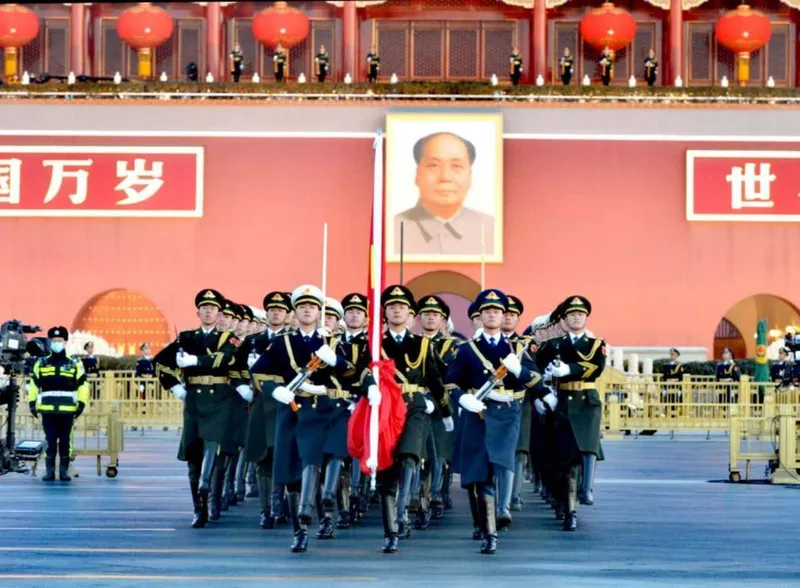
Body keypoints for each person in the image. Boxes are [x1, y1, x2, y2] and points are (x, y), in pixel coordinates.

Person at [250, 285, 356, 553]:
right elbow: (260, 372)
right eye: (302, 307)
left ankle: (326, 519)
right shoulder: (282, 342)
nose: (307, 310)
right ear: (294, 312)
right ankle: (300, 531)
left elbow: (352, 373)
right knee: (291, 472)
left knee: (318, 466)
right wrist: (278, 391)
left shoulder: (332, 343)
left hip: (324, 409)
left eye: (312, 307)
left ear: (320, 312)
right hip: (293, 410)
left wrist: (334, 361)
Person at [445, 289, 542, 553]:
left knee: (497, 465)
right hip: (477, 413)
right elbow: (451, 381)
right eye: (487, 311)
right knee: (478, 473)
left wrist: (518, 369)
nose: (492, 315)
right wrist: (462, 398)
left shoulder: (517, 349)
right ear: (479, 315)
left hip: (507, 413)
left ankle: (492, 533)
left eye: (497, 311)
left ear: (503, 316)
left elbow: (535, 379)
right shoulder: (465, 350)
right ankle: (483, 524)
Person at [366, 285, 449, 553]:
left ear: (411, 315)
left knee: (410, 455)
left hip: (414, 407)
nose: (397, 310)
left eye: (402, 307)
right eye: (391, 307)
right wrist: (368, 386)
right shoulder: (376, 344)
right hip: (384, 407)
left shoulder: (422, 345)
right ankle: (390, 530)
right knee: (387, 468)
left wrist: (444, 412)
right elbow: (361, 373)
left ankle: (403, 509)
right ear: (385, 313)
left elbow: (435, 381)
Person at [153, 289, 243, 529]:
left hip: (220, 399)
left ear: (219, 312)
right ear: (198, 312)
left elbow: (228, 359)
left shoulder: (228, 337)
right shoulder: (186, 338)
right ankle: (198, 508)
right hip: (193, 399)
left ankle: (211, 498)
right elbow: (160, 362)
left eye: (212, 308)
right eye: (204, 308)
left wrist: (196, 361)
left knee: (214, 449)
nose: (208, 311)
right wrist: (175, 388)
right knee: (194, 456)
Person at [536, 296, 606, 531]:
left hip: (587, 402)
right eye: (572, 315)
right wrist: (545, 381)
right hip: (563, 402)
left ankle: (587, 488)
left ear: (586, 318)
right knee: (566, 460)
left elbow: (596, 368)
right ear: (565, 319)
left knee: (588, 446)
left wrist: (570, 369)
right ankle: (570, 510)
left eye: (581, 314)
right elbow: (537, 368)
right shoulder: (553, 345)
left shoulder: (596, 345)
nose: (577, 317)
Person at [394, 132, 495, 257]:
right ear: (417, 175)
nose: (445, 177)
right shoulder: (392, 230)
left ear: (470, 177)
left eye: (456, 166)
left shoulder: (492, 230)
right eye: (433, 166)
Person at [239, 290, 292, 528]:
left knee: (285, 456)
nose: (275, 313)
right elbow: (232, 367)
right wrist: (242, 385)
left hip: (286, 402)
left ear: (287, 315)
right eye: (272, 310)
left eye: (280, 310)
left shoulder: (293, 340)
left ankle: (280, 504)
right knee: (263, 458)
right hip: (261, 404)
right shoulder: (253, 341)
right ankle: (266, 509)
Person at [28, 326, 89, 482]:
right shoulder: (41, 362)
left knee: (65, 441)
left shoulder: (74, 362)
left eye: (59, 340)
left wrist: (81, 403)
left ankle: (64, 471)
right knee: (50, 441)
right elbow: (34, 383)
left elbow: (83, 384)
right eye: (54, 341)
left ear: (65, 342)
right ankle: (49, 472)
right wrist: (32, 402)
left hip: (67, 410)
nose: (56, 343)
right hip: (48, 410)